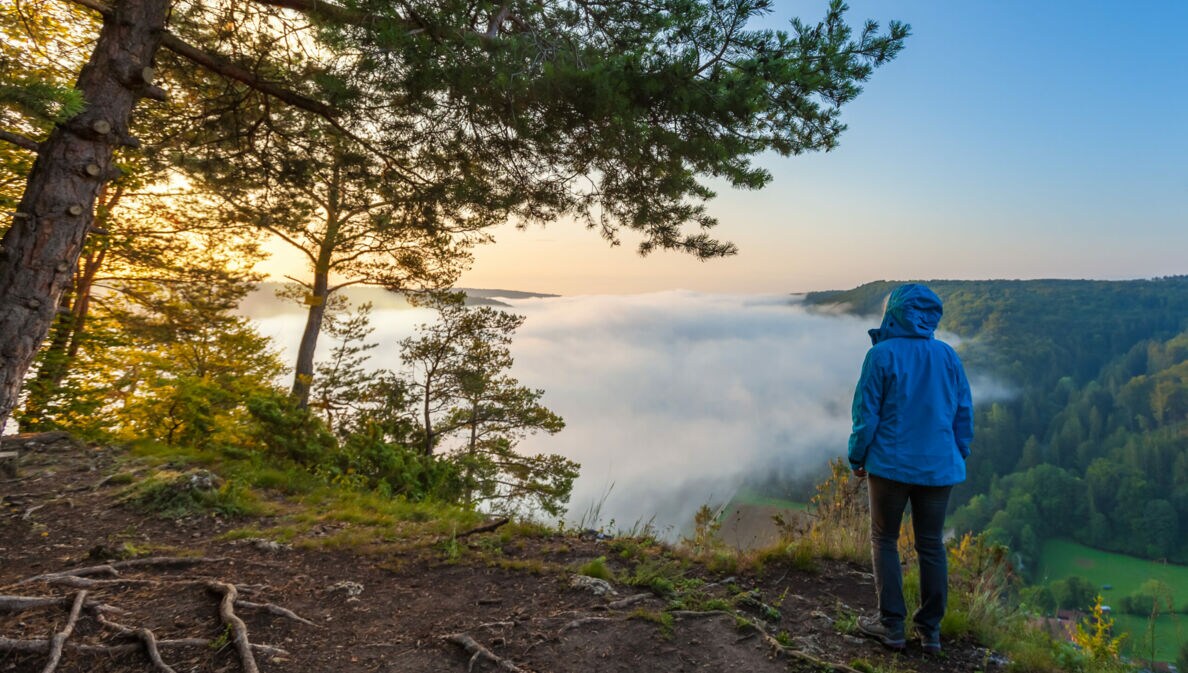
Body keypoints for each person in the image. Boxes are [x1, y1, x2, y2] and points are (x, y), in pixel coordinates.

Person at [847, 283, 973, 654]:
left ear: (893, 313)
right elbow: (963, 411)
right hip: (940, 469)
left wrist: (857, 458)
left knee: (884, 539)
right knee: (931, 545)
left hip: (890, 467)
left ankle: (891, 626)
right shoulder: (948, 355)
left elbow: (865, 416)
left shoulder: (881, 355)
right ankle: (930, 632)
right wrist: (958, 451)